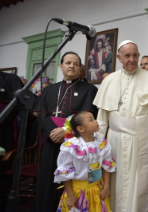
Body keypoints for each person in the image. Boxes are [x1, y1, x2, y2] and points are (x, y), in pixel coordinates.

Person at [93, 40, 148, 212]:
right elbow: (103, 117)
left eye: (135, 55)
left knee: (141, 182)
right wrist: (97, 144)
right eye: (127, 56)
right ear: (119, 57)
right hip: (116, 140)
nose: (132, 59)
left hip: (143, 138)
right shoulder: (109, 80)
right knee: (117, 179)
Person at [33, 51, 98, 212]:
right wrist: (53, 132)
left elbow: (88, 117)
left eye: (75, 64)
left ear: (80, 68)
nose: (72, 66)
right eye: (68, 63)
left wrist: (65, 131)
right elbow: (41, 114)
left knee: (73, 179)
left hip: (76, 144)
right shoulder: (49, 90)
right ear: (61, 66)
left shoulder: (90, 90)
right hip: (51, 142)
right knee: (49, 180)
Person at [54, 111, 115, 212]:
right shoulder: (71, 147)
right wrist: (70, 195)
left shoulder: (102, 144)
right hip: (76, 193)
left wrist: (106, 188)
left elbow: (106, 165)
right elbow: (65, 172)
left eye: (94, 118)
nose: (96, 121)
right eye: (91, 120)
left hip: (97, 191)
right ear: (81, 129)